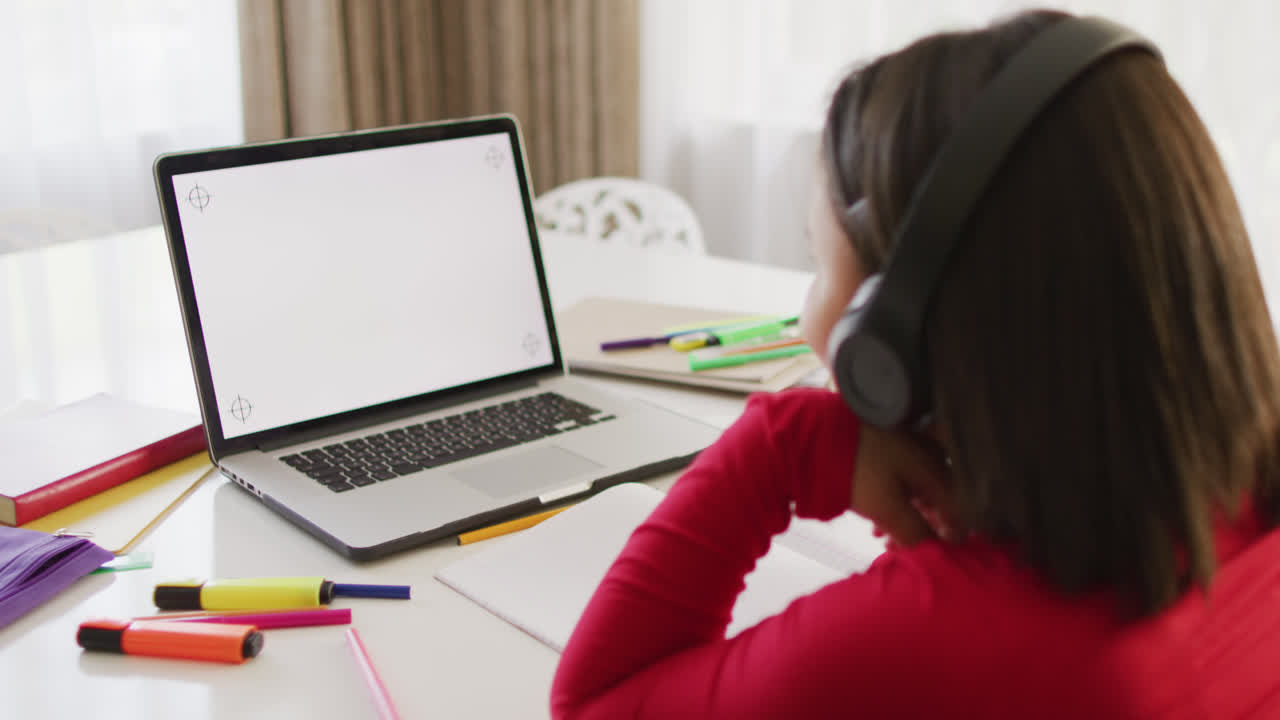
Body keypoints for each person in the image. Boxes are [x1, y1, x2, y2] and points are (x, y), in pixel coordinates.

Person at [550, 8, 1280, 719]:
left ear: (887, 344)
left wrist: (786, 449)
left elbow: (595, 705)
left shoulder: (936, 640)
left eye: (815, 261)